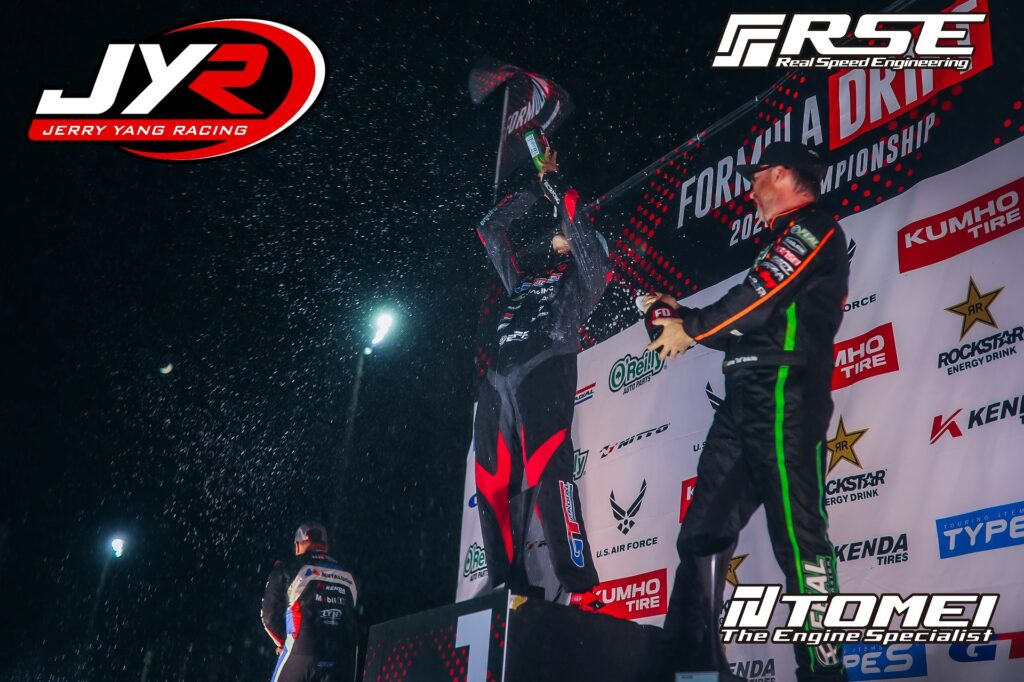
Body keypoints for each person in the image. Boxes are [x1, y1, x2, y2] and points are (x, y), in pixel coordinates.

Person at [647, 141, 849, 681]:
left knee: (799, 538)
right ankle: (689, 663)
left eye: (755, 177)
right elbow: (744, 323)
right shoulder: (779, 242)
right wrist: (676, 316)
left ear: (780, 174)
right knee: (702, 531)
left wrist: (690, 327)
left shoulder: (814, 229)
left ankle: (823, 673)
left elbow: (757, 300)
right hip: (743, 397)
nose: (750, 189)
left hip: (785, 392)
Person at [473, 145, 611, 597]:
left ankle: (580, 586)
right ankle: (506, 588)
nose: (559, 237)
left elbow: (578, 227)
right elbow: (490, 231)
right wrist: (534, 188)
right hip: (497, 383)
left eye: (569, 236)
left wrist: (554, 182)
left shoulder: (587, 278)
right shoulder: (525, 282)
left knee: (550, 476)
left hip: (545, 371)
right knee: (491, 485)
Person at [261, 522, 360, 682]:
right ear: (326, 546)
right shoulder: (350, 574)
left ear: (297, 546)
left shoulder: (287, 568)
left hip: (302, 654)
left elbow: (268, 616)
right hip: (343, 659)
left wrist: (283, 642)